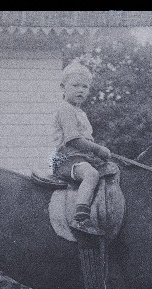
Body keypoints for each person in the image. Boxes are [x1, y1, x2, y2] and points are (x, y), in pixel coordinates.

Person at [51, 61, 114, 229]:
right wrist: (98, 149)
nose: (80, 90)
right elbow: (74, 140)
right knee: (91, 175)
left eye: (85, 87)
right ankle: (81, 215)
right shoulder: (65, 109)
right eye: (75, 85)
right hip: (66, 159)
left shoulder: (80, 112)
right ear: (63, 87)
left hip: (80, 157)